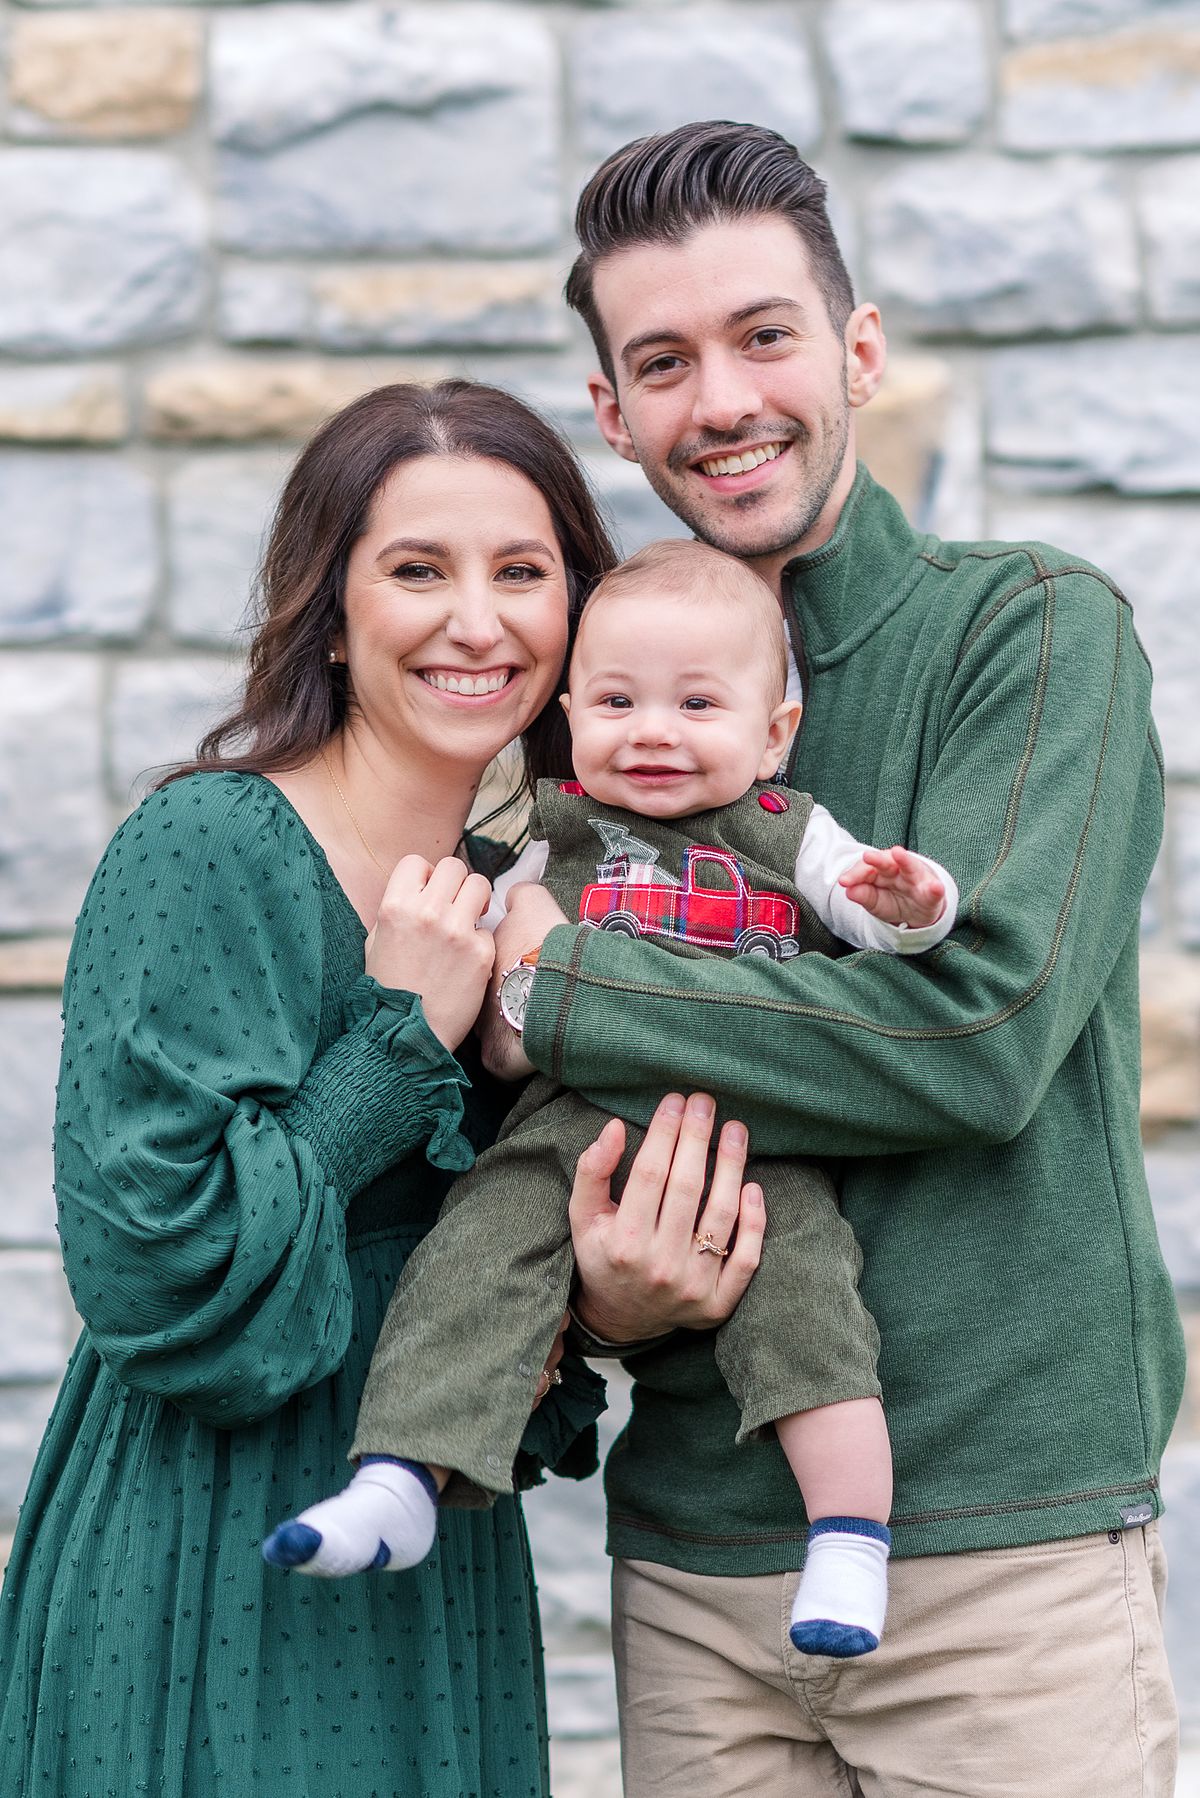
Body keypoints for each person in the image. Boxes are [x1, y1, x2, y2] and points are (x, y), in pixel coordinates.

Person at [482, 123, 1186, 1795]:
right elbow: (513, 1134)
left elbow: (977, 1030)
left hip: (1001, 1565)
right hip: (695, 1564)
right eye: (664, 361)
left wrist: (562, 986)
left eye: (764, 335)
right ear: (614, 411)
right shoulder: (584, 704)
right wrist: (592, 1290)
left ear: (857, 350)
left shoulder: (1028, 626)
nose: (720, 397)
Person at [0, 378, 632, 1797]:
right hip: (208, 1545)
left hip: (435, 1551)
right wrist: (401, 1031)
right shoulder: (208, 844)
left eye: (523, 573)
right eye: (418, 569)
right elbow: (150, 1267)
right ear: (329, 610)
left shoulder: (523, 902)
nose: (479, 621)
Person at [262, 537, 956, 1666]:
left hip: (757, 1135)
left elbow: (885, 921)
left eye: (697, 703)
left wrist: (911, 903)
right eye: (620, 700)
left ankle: (849, 1534)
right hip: (570, 1129)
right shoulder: (548, 833)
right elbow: (492, 979)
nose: (653, 731)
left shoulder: (791, 830)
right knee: (479, 1247)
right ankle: (399, 1476)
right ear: (574, 710)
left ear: (773, 731)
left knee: (811, 1305)